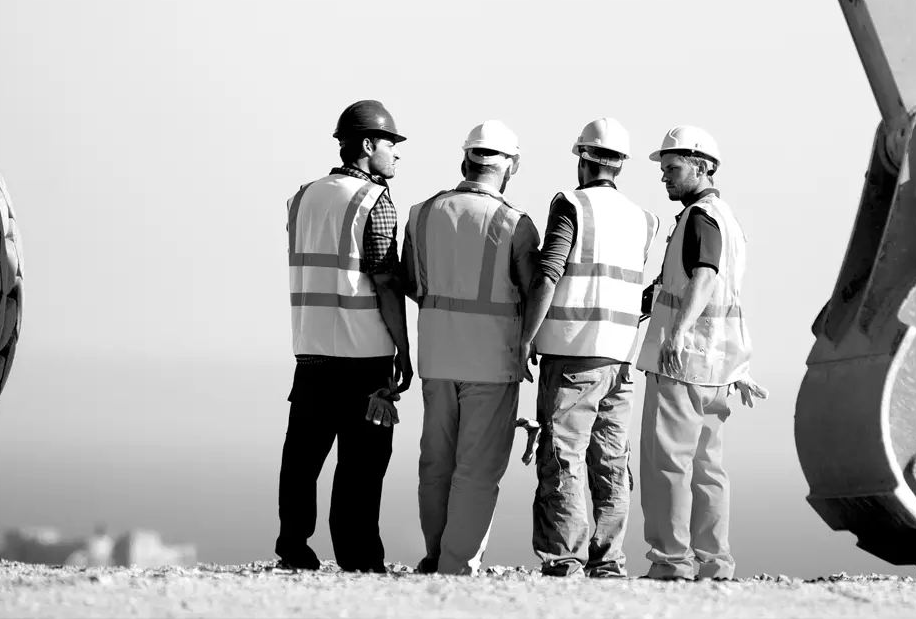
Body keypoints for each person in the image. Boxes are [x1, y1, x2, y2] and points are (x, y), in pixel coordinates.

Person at [517, 118, 659, 578]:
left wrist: (525, 339)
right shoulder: (645, 218)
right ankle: (609, 561)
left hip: (573, 353)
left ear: (582, 157)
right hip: (620, 358)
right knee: (611, 460)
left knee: (563, 454)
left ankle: (565, 559)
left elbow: (548, 273)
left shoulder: (571, 204)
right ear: (620, 165)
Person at [276, 99, 414, 574]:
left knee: (302, 458)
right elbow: (386, 278)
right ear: (368, 144)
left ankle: (293, 549)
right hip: (363, 356)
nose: (396, 154)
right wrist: (404, 348)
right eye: (391, 144)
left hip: (311, 350)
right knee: (362, 465)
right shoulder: (373, 201)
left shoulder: (302, 196)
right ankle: (358, 558)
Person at [400, 120, 541, 575]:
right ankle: (457, 565)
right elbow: (532, 291)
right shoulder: (516, 224)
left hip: (437, 357)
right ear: (511, 166)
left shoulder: (420, 213)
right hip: (492, 362)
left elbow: (410, 282)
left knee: (436, 463)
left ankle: (434, 553)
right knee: (476, 471)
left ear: (466, 159)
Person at [634, 125, 768, 582]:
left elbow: (705, 276)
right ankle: (714, 564)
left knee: (666, 463)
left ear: (702, 166)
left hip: (682, 361)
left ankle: (670, 562)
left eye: (673, 168)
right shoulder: (728, 219)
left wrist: (676, 334)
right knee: (708, 469)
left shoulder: (698, 217)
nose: (665, 177)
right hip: (718, 368)